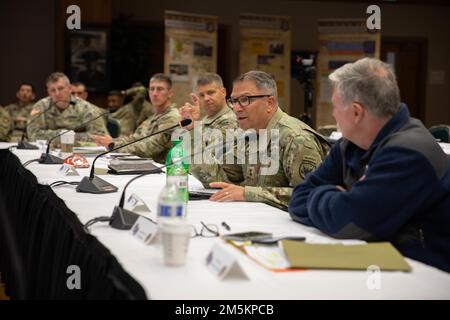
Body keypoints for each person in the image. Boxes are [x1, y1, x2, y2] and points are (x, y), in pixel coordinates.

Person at [288, 58, 450, 272]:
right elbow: (298, 199)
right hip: (379, 260)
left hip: (424, 271)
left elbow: (348, 222)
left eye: (335, 107)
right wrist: (341, 198)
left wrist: (328, 195)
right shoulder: (350, 144)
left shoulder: (410, 152)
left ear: (356, 112)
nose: (333, 114)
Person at [208, 70, 330, 210]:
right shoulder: (251, 135)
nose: (236, 108)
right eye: (234, 101)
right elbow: (220, 177)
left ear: (270, 103)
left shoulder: (296, 138)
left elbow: (310, 196)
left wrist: (249, 194)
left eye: (245, 99)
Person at [94, 73, 180, 164]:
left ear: (170, 93)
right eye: (152, 89)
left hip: (164, 172)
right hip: (145, 167)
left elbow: (150, 148)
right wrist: (111, 141)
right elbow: (134, 139)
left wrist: (113, 145)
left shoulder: (172, 117)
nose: (154, 93)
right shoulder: (152, 118)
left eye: (160, 89)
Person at [179, 73, 243, 185]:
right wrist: (194, 124)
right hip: (202, 181)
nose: (206, 99)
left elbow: (206, 161)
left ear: (223, 92)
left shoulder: (230, 121)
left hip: (221, 186)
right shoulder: (208, 119)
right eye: (202, 95)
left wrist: (192, 129)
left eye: (211, 93)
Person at [27, 72, 108, 145]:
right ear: (48, 92)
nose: (57, 94)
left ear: (69, 89)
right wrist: (67, 135)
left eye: (61, 88)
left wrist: (69, 137)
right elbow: (33, 135)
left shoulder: (86, 108)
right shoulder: (41, 106)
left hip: (79, 153)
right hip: (47, 151)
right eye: (53, 90)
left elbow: (100, 137)